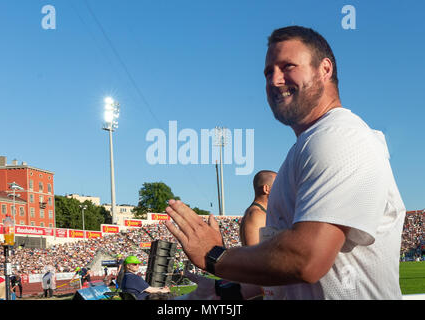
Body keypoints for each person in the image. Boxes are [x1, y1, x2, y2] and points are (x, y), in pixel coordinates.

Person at [165, 25, 406, 300]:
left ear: (324, 69)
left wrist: (214, 255)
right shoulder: (309, 145)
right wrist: (227, 290)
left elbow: (307, 259)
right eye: (269, 72)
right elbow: (288, 274)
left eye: (287, 66)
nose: (275, 80)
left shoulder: (340, 136)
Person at [239, 170, 277, 246]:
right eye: (278, 186)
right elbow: (252, 253)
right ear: (266, 189)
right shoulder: (256, 215)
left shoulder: (262, 213)